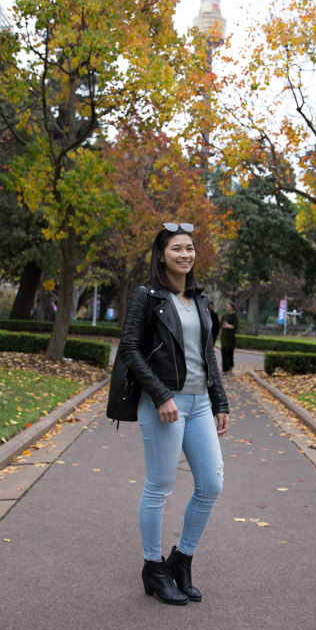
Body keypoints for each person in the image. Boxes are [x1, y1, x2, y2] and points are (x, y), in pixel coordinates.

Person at [120, 222, 229, 605]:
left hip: (200, 403)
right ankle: (153, 566)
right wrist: (162, 394)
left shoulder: (199, 299)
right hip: (163, 404)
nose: (185, 255)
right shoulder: (147, 296)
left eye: (189, 248)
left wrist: (220, 401)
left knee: (211, 485)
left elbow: (207, 357)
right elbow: (130, 349)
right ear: (162, 254)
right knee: (160, 486)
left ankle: (181, 559)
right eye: (176, 249)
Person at [220, 301, 238, 374]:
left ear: (232, 308)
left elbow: (236, 325)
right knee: (224, 351)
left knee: (230, 352)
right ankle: (225, 369)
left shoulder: (235, 316)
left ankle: (230, 367)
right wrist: (227, 326)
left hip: (231, 337)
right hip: (224, 336)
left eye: (228, 306)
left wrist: (229, 326)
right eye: (226, 306)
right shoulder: (224, 315)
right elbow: (221, 324)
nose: (227, 307)